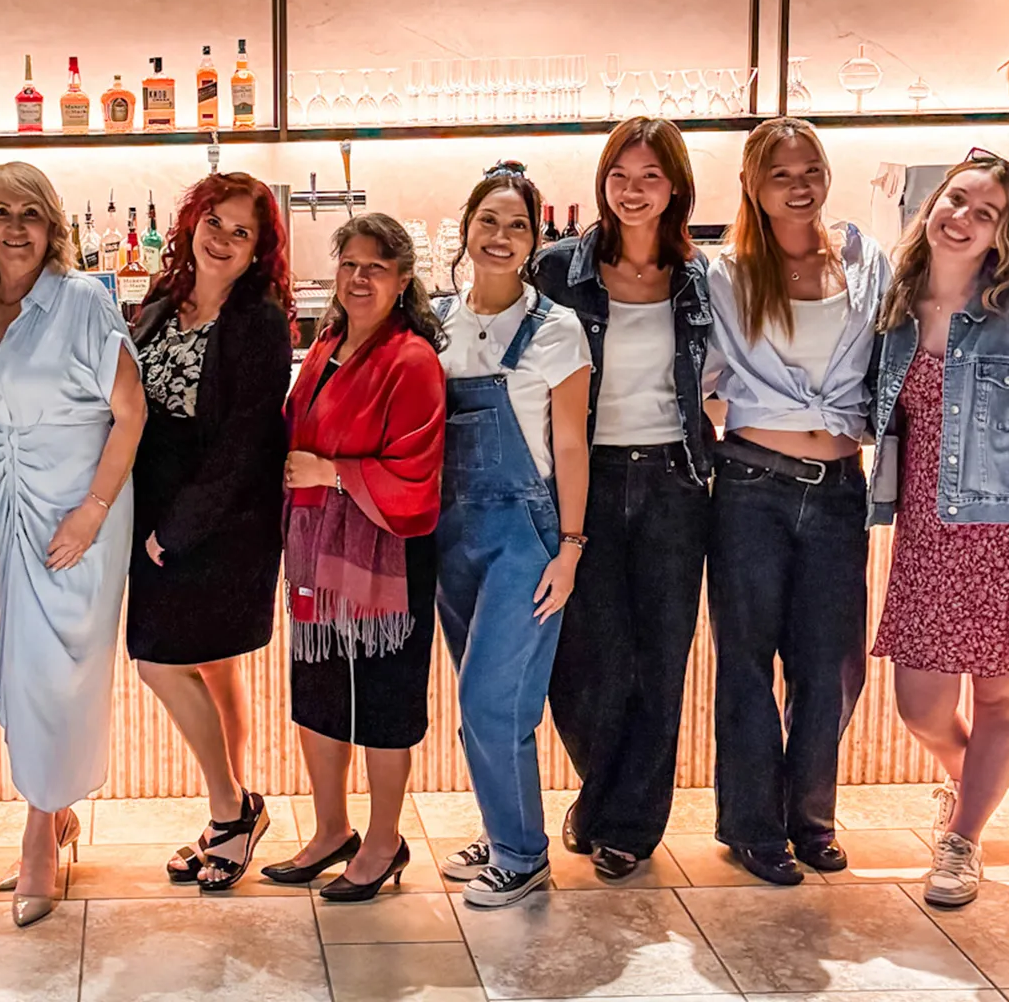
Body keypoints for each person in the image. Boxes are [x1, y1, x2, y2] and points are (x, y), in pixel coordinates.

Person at [867, 150, 1009, 907]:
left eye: (986, 213)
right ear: (932, 203)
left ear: (1005, 234)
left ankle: (963, 839)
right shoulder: (895, 304)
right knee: (920, 707)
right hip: (929, 536)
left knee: (1001, 699)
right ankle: (969, 785)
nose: (963, 219)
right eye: (956, 200)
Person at [705, 116, 891, 885]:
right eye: (780, 174)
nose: (799, 185)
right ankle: (752, 827)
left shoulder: (865, 261)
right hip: (752, 486)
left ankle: (809, 818)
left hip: (841, 487)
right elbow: (696, 372)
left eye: (810, 169)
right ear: (752, 184)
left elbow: (897, 353)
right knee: (747, 661)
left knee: (833, 665)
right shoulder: (725, 274)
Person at [0, 161, 145, 928]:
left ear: (53, 225)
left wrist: (92, 512)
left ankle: (39, 835)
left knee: (59, 677)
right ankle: (55, 812)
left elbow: (130, 412)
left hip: (79, 511)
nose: (15, 228)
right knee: (24, 669)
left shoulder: (83, 301)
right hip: (14, 512)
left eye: (30, 213)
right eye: (0, 213)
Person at [532, 119, 714, 882]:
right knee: (585, 662)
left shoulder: (700, 277)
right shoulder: (559, 271)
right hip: (586, 481)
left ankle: (627, 826)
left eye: (649, 178)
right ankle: (602, 796)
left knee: (660, 662)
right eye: (619, 176)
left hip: (676, 481)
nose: (632, 192)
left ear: (675, 188)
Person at [264, 214, 445, 903]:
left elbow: (417, 473)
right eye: (349, 265)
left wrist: (331, 474)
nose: (359, 278)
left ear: (402, 280)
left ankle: (383, 841)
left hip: (386, 560)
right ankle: (331, 830)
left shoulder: (412, 359)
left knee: (383, 702)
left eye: (376, 267)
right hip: (319, 554)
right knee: (317, 695)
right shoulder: (326, 344)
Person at [127, 172, 294, 891]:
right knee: (213, 666)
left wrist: (175, 531)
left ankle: (230, 809)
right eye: (214, 222)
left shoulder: (260, 322)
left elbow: (245, 444)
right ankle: (232, 808)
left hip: (219, 523)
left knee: (160, 662)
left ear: (259, 249)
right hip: (156, 511)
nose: (223, 239)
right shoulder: (161, 303)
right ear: (192, 223)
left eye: (241, 231)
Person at [430, 166, 591, 907]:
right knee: (498, 702)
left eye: (517, 225)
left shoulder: (556, 329)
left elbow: (570, 447)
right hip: (450, 532)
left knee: (489, 700)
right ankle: (505, 829)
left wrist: (571, 548)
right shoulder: (436, 322)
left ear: (534, 240)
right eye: (488, 221)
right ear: (467, 227)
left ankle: (521, 857)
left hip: (525, 537)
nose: (501, 237)